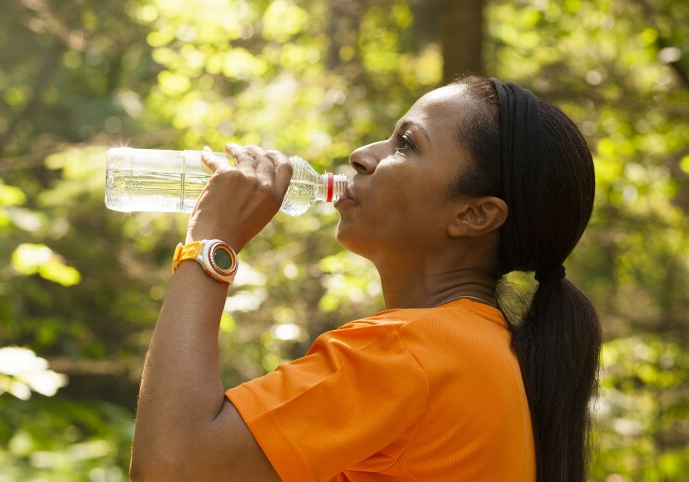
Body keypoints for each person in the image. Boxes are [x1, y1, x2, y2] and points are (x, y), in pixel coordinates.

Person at [129, 75, 602, 482]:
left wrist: (211, 243)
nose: (361, 155)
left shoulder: (408, 352)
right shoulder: (487, 350)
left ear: (475, 215)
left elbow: (172, 467)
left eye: (406, 144)